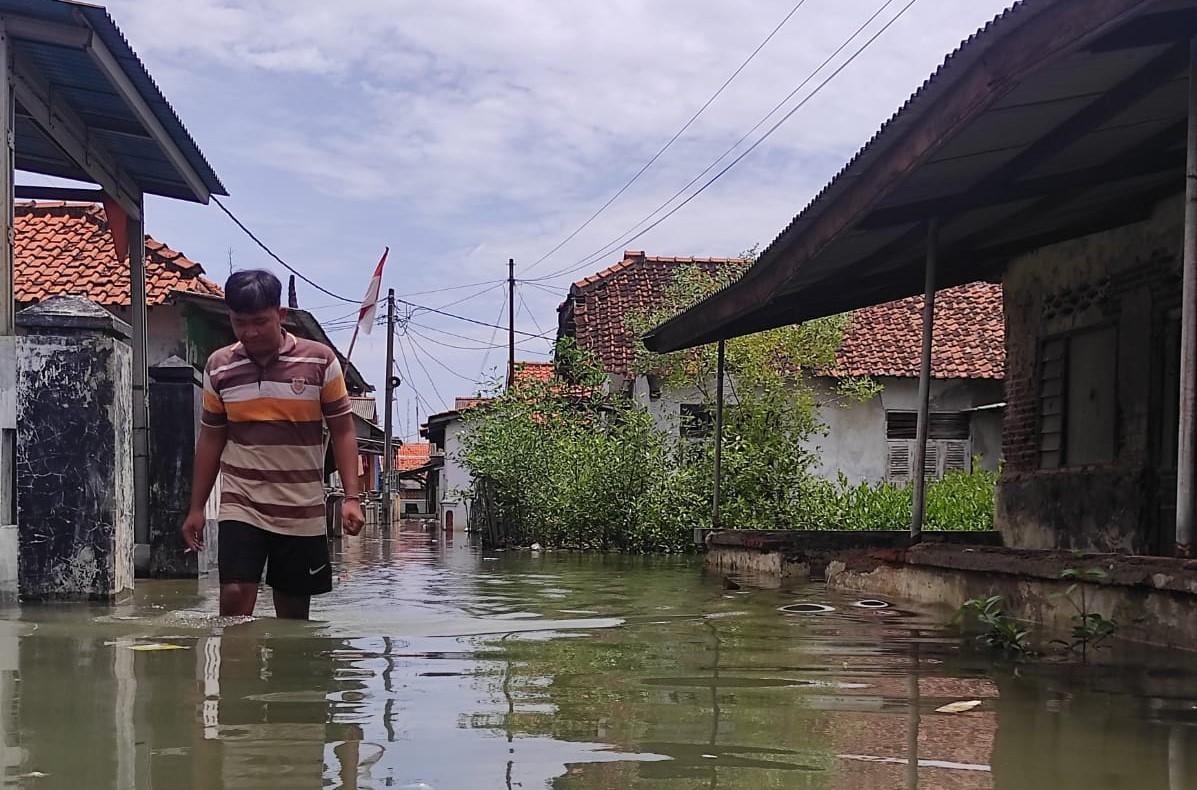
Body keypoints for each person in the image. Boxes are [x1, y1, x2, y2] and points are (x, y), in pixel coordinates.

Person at [180, 269, 366, 619]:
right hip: (241, 501)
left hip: (301, 507)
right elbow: (211, 438)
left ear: (280, 316)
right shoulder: (219, 367)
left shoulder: (319, 361)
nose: (249, 332)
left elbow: (343, 430)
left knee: (293, 615)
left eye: (259, 322)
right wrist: (196, 508)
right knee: (233, 600)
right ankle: (236, 672)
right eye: (240, 323)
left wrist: (352, 498)